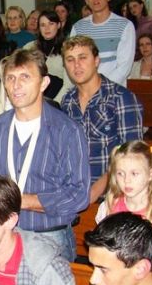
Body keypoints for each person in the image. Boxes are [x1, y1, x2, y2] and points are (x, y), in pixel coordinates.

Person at [0, 49, 90, 262]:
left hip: (50, 235)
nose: (16, 85)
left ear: (43, 83)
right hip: (6, 234)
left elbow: (79, 195)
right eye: (10, 78)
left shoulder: (67, 130)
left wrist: (25, 201)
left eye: (25, 77)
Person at [61, 36, 144, 203]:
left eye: (83, 58)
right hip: (75, 191)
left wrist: (94, 192)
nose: (76, 65)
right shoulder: (67, 101)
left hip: (114, 193)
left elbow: (132, 155)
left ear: (96, 61)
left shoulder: (121, 98)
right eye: (70, 60)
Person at [95, 141, 152, 269]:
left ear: (151, 174)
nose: (126, 180)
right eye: (120, 173)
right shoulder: (108, 207)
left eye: (134, 173)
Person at [71, 0, 135, 86]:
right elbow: (74, 62)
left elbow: (124, 66)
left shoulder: (125, 26)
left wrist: (101, 88)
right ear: (86, 0)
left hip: (113, 91)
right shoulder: (78, 28)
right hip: (85, 90)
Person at [23, 10, 70, 103]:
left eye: (51, 24)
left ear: (58, 25)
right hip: (32, 100)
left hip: (58, 101)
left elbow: (68, 84)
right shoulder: (29, 48)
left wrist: (54, 104)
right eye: (43, 25)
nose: (47, 28)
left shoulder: (67, 49)